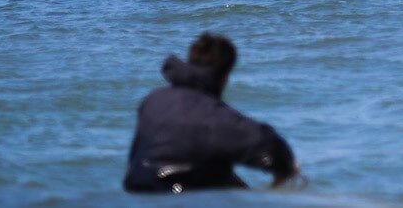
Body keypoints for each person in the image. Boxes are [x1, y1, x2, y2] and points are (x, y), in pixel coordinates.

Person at [123, 33, 297, 194]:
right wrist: (286, 169)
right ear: (223, 76)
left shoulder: (153, 101)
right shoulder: (214, 116)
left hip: (139, 190)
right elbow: (270, 147)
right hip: (182, 195)